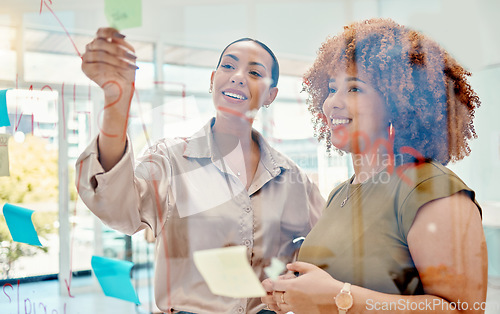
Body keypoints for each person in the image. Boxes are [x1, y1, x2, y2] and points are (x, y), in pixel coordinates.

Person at [76, 27, 324, 314]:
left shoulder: (290, 177)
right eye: (228, 66)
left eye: (255, 73)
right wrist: (116, 105)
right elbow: (117, 209)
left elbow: (325, 248)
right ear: (212, 80)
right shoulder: (170, 160)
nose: (238, 76)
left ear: (271, 95)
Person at [262, 18, 487, 314]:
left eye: (354, 89)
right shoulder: (340, 193)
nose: (333, 103)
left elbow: (464, 310)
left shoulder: (431, 187)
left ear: (398, 104)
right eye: (332, 89)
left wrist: (339, 299)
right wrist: (295, 293)